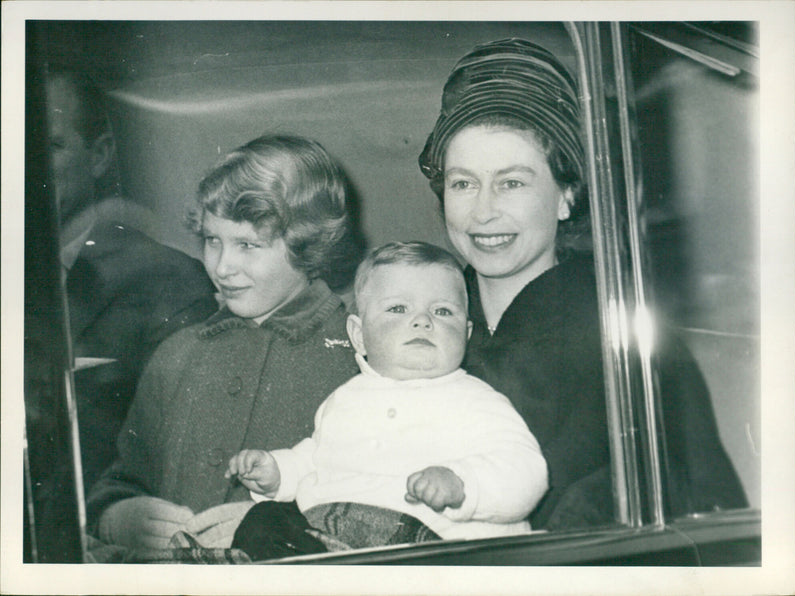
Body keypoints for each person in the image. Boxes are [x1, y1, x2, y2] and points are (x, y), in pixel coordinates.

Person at [417, 38, 748, 529]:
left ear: (566, 197)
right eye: (464, 183)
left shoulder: (622, 332)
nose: (483, 211)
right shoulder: (415, 313)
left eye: (512, 182)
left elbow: (701, 510)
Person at [85, 134, 362, 553]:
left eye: (247, 245)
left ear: (308, 244)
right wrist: (117, 516)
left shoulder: (359, 355)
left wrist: (275, 528)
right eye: (213, 240)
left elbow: (386, 501)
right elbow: (122, 478)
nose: (221, 266)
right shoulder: (176, 355)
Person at [226, 241, 547, 559]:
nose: (423, 321)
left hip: (428, 549)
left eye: (442, 311)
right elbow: (318, 457)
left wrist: (462, 483)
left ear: (465, 334)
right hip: (337, 540)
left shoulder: (476, 401)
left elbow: (525, 470)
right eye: (398, 309)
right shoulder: (345, 398)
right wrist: (279, 471)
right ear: (359, 335)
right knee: (263, 520)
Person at [41, 67, 219, 493]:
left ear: (100, 155)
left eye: (50, 145)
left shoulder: (168, 281)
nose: (22, 167)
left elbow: (186, 458)